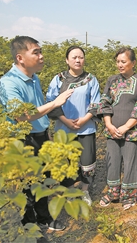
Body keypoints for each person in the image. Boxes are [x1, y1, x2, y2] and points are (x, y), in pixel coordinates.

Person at [0, 36, 73, 231]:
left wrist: (46, 135)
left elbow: (39, 110)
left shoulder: (34, 77)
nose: (41, 56)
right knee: (28, 186)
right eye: (36, 52)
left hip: (39, 135)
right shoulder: (8, 82)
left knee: (43, 180)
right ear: (20, 57)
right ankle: (30, 228)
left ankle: (44, 218)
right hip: (22, 139)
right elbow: (21, 116)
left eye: (41, 51)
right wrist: (55, 103)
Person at [46, 46, 100, 206]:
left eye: (81, 57)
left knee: (87, 161)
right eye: (74, 57)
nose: (78, 60)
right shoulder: (59, 79)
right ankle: (69, 191)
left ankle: (84, 190)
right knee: (66, 162)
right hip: (64, 129)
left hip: (86, 127)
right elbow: (51, 101)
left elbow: (96, 102)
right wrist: (65, 120)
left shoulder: (91, 79)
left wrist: (84, 119)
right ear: (67, 60)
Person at [96, 47, 137, 210]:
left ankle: (128, 195)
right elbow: (104, 103)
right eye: (118, 61)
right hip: (112, 130)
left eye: (123, 61)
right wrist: (109, 125)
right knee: (112, 162)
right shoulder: (112, 80)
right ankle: (113, 193)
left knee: (130, 162)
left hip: (133, 131)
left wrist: (126, 127)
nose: (120, 64)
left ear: (133, 63)